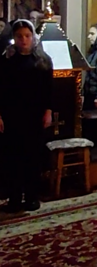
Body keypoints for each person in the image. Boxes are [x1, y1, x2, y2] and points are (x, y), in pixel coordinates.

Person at [0, 20, 53, 213]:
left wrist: (48, 111)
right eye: (19, 36)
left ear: (33, 37)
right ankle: (14, 198)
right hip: (12, 116)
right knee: (13, 158)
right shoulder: (6, 61)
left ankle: (31, 197)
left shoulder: (43, 61)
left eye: (27, 36)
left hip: (34, 116)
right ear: (14, 38)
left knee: (33, 157)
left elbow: (48, 89)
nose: (24, 40)